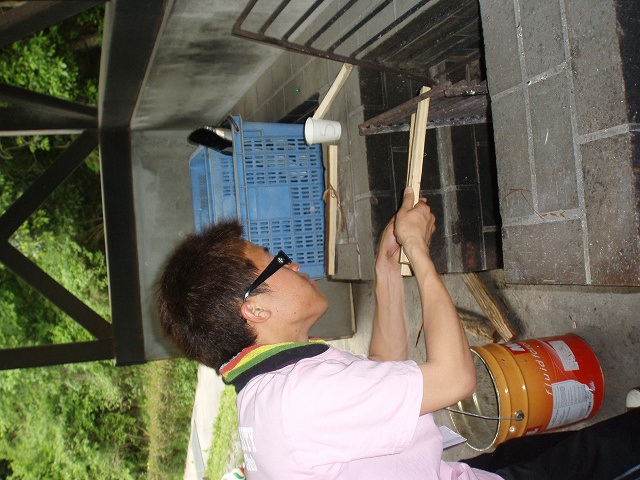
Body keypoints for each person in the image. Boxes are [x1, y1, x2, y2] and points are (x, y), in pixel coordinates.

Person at [157, 187, 640, 479]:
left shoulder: (268, 391)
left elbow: (381, 376)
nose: (295, 265)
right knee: (596, 459)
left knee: (527, 451)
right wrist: (420, 253)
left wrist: (388, 266)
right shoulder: (298, 399)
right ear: (255, 309)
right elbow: (454, 378)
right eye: (276, 263)